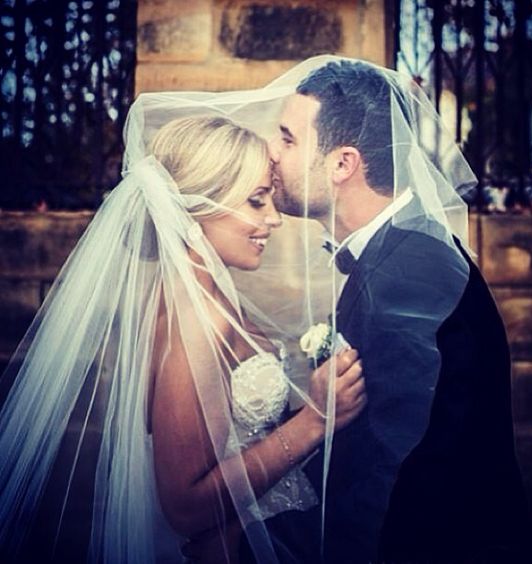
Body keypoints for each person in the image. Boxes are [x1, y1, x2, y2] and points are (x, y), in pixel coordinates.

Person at [0, 111, 366, 564]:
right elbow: (186, 506)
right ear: (196, 208)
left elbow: (240, 432)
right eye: (256, 200)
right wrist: (314, 421)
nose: (273, 219)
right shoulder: (194, 323)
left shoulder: (213, 297)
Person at [257, 57, 529, 563]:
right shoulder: (397, 253)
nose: (271, 152)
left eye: (289, 138)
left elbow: (400, 468)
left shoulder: (410, 272)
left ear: (343, 164)